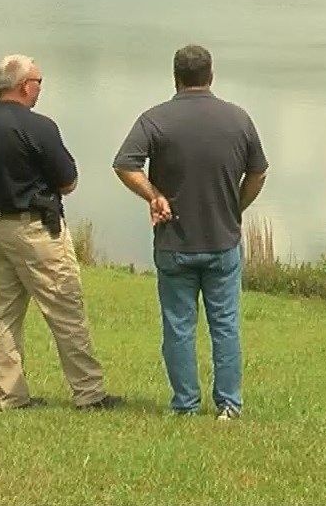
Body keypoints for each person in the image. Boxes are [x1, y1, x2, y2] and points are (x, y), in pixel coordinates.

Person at [113, 44, 268, 420]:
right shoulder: (238, 119)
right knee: (226, 326)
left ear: (176, 77)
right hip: (223, 242)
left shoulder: (154, 119)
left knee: (179, 327)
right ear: (210, 76)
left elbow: (124, 164)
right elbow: (258, 172)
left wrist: (154, 194)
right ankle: (228, 405)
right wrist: (236, 208)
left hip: (174, 244)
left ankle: (184, 405)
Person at [0, 53, 121, 412]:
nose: (40, 89)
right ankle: (89, 394)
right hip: (35, 230)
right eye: (38, 82)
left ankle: (12, 396)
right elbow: (68, 181)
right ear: (22, 86)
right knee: (65, 307)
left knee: (5, 313)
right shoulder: (39, 127)